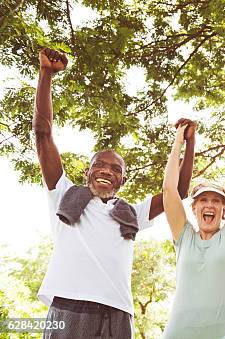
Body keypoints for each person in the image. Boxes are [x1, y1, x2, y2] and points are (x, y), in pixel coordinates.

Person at [34, 48, 195, 338]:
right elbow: (43, 135)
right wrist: (46, 75)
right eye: (99, 165)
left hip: (117, 312)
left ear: (121, 179)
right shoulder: (64, 195)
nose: (106, 171)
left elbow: (179, 191)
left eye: (114, 169)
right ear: (88, 172)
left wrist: (188, 142)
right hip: (71, 307)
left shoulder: (131, 213)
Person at [161, 120, 225, 338]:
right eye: (203, 200)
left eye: (216, 201)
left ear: (224, 210)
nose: (210, 205)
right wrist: (179, 140)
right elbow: (169, 190)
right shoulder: (184, 238)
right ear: (194, 208)